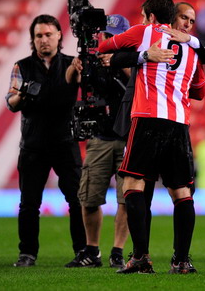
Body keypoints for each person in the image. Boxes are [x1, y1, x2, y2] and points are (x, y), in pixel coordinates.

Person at [105, 2, 205, 268]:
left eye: (192, 21)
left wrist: (145, 59)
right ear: (172, 18)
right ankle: (180, 261)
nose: (188, 24)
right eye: (184, 18)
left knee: (134, 185)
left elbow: (113, 55)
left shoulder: (147, 37)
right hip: (178, 122)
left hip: (147, 119)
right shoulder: (194, 52)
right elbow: (201, 90)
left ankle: (141, 256)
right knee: (181, 192)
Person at [6, 14, 86, 267]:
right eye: (39, 35)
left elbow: (82, 82)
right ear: (32, 39)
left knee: (76, 199)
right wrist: (23, 95)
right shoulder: (22, 66)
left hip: (65, 141)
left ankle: (83, 251)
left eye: (48, 34)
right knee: (29, 203)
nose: (44, 40)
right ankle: (27, 253)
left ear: (60, 35)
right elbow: (11, 102)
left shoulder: (72, 64)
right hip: (33, 144)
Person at [63, 15, 132, 268]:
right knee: (89, 198)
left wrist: (118, 61)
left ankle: (117, 250)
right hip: (100, 137)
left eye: (115, 36)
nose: (109, 40)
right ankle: (92, 250)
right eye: (106, 35)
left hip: (128, 137)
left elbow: (139, 82)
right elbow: (70, 81)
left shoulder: (134, 59)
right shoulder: (93, 61)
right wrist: (75, 65)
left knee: (127, 199)